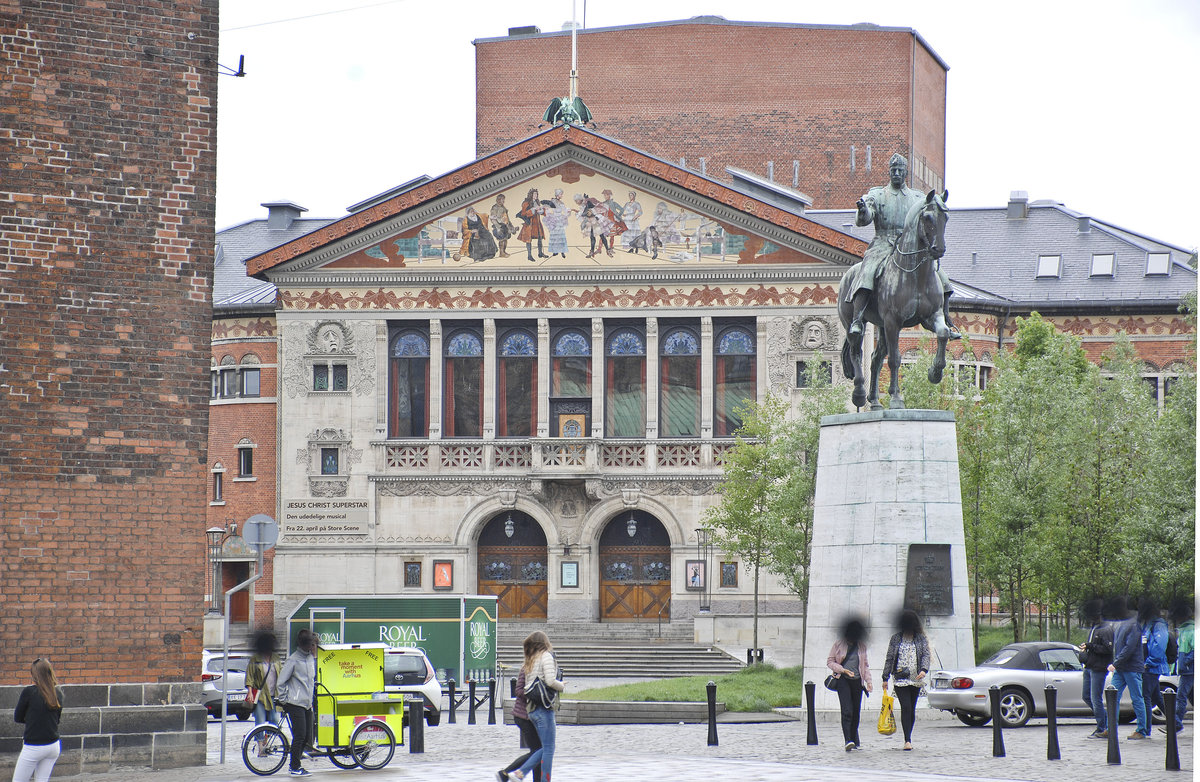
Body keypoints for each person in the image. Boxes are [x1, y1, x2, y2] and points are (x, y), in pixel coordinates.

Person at [847, 152, 958, 341]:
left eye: (900, 170)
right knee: (867, 272)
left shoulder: (918, 197)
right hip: (883, 244)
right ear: (889, 172)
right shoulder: (878, 195)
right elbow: (864, 219)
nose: (896, 173)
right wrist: (863, 210)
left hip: (910, 247)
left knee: (943, 278)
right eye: (893, 170)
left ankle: (947, 319)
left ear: (906, 172)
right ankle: (857, 319)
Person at [506, 631, 564, 782]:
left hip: (532, 710)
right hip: (544, 708)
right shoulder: (546, 656)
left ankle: (522, 774)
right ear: (545, 642)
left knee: (544, 748)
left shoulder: (532, 659)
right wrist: (561, 685)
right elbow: (550, 681)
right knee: (548, 748)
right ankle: (521, 773)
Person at [881, 609, 930, 751]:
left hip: (916, 678)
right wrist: (885, 677)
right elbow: (890, 658)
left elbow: (926, 655)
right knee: (906, 707)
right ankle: (907, 739)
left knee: (912, 709)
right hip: (900, 679)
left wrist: (923, 670)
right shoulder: (896, 638)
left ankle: (909, 736)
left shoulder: (920, 638)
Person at [13, 658, 64, 782]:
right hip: (53, 746)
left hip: (34, 746)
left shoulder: (28, 692)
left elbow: (18, 717)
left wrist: (33, 720)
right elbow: (56, 720)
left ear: (34, 675)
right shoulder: (58, 693)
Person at [276, 628, 318, 777]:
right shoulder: (293, 659)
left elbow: (310, 681)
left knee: (307, 736)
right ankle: (294, 766)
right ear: (305, 644)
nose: (313, 647)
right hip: (294, 703)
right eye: (311, 644)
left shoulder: (309, 658)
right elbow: (281, 682)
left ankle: (296, 761)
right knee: (300, 734)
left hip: (306, 703)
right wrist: (284, 700)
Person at [827, 616, 873, 751]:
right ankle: (848, 739)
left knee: (856, 712)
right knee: (847, 710)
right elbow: (830, 662)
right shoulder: (838, 645)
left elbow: (865, 666)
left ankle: (854, 737)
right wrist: (843, 670)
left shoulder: (861, 646)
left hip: (857, 682)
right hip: (843, 681)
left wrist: (869, 682)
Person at [1107, 596, 1149, 740]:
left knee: (1137, 698)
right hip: (1121, 668)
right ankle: (1110, 728)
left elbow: (1129, 648)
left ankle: (1141, 730)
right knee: (1112, 697)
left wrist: (1115, 663)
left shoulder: (1134, 624)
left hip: (1131, 668)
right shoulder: (1121, 624)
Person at [498, 665, 542, 782]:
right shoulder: (527, 668)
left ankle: (507, 773)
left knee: (538, 750)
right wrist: (533, 694)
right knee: (538, 751)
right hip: (524, 716)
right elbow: (518, 690)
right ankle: (505, 773)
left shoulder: (539, 668)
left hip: (531, 717)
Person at [1078, 598, 1114, 739]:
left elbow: (1108, 649)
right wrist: (1087, 646)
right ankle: (1105, 722)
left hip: (1098, 668)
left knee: (1095, 698)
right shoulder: (1095, 627)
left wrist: (1090, 646)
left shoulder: (1105, 629)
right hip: (1090, 666)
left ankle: (1102, 727)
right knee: (1086, 696)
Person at [246, 630, 283, 756]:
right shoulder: (255, 659)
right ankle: (261, 748)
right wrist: (250, 692)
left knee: (274, 720)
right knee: (260, 721)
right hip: (260, 696)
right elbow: (249, 676)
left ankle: (267, 736)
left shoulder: (276, 658)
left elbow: (282, 675)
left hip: (274, 695)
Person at [1139, 597, 1170, 730]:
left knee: (1145, 696)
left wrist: (1148, 662)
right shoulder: (1148, 624)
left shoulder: (1159, 625)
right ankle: (1175, 722)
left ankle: (1145, 729)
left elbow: (1159, 647)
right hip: (1148, 665)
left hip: (1151, 667)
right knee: (1156, 697)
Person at [1167, 598, 1194, 734]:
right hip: (1187, 670)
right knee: (1190, 697)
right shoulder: (1185, 630)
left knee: (1181, 696)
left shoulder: (1190, 631)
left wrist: (1186, 663)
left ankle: (1176, 725)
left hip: (1189, 671)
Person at [517, 188, 548, 262]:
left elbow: (541, 212)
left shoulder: (537, 202)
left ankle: (540, 253)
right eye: (534, 194)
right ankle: (529, 255)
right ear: (531, 195)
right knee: (528, 239)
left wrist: (542, 210)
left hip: (537, 223)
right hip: (529, 224)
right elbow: (524, 214)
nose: (536, 195)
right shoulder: (526, 203)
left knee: (540, 238)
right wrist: (533, 209)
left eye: (536, 194)